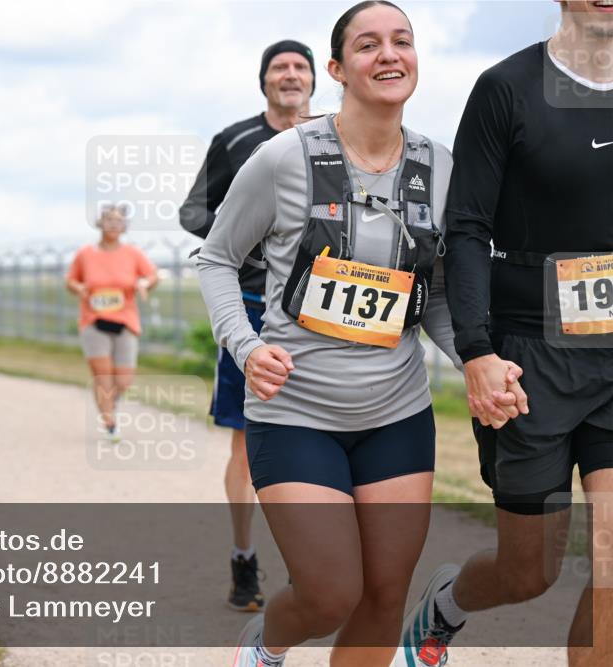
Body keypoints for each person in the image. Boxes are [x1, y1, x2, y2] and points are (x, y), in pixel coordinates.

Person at [197, 3, 524, 666]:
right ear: (339, 70)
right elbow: (216, 258)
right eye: (368, 44)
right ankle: (266, 644)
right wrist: (246, 343)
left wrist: (474, 359)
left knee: (382, 594)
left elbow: (428, 296)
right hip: (296, 412)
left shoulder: (440, 168)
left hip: (396, 414)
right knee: (329, 592)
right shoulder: (283, 159)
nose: (389, 54)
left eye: (402, 41)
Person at [398, 2, 613, 666]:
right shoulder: (507, 87)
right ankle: (447, 605)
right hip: (528, 358)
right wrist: (476, 349)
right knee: (529, 572)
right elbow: (466, 228)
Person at [180, 38, 316, 613]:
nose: (289, 75)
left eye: (299, 67)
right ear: (264, 81)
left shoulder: (335, 136)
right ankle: (244, 558)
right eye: (278, 67)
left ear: (317, 79)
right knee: (248, 445)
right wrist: (250, 240)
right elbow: (193, 212)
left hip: (324, 316)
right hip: (254, 312)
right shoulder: (235, 142)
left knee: (324, 439)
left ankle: (318, 565)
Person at [66, 205, 158, 441]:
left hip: (125, 320)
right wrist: (80, 288)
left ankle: (109, 404)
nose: (114, 224)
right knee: (102, 374)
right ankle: (109, 421)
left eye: (118, 221)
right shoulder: (85, 254)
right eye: (109, 220)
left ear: (124, 226)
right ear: (100, 224)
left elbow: (152, 276)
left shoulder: (133, 254)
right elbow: (70, 281)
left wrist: (143, 285)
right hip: (94, 320)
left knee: (124, 379)